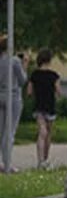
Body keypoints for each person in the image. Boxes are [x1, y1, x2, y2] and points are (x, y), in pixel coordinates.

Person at [27, 50, 60, 169]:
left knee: (42, 133)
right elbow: (59, 91)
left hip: (39, 106)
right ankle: (44, 160)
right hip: (50, 106)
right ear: (49, 60)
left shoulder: (34, 75)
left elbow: (29, 92)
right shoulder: (54, 75)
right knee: (47, 134)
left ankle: (41, 161)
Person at [0, 41, 26, 173]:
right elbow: (22, 80)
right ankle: (7, 163)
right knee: (9, 132)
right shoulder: (15, 61)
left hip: (0, 95)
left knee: (1, 131)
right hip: (13, 97)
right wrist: (24, 65)